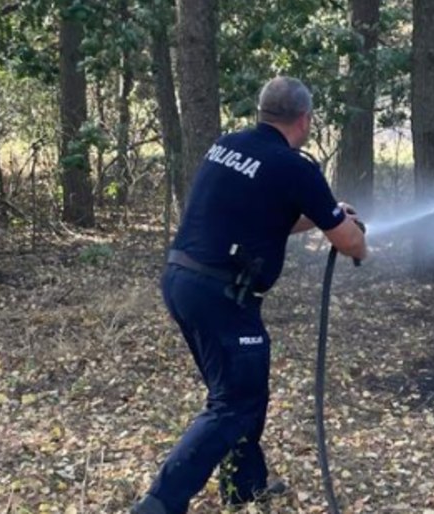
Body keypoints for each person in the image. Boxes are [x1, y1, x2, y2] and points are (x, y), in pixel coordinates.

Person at [133, 77, 368, 514]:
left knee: (242, 393)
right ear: (305, 120)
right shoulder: (295, 167)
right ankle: (159, 503)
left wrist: (323, 216)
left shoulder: (230, 145)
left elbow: (267, 215)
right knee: (234, 401)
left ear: (263, 112)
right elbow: (350, 243)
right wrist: (355, 238)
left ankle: (245, 488)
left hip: (184, 280)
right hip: (221, 295)